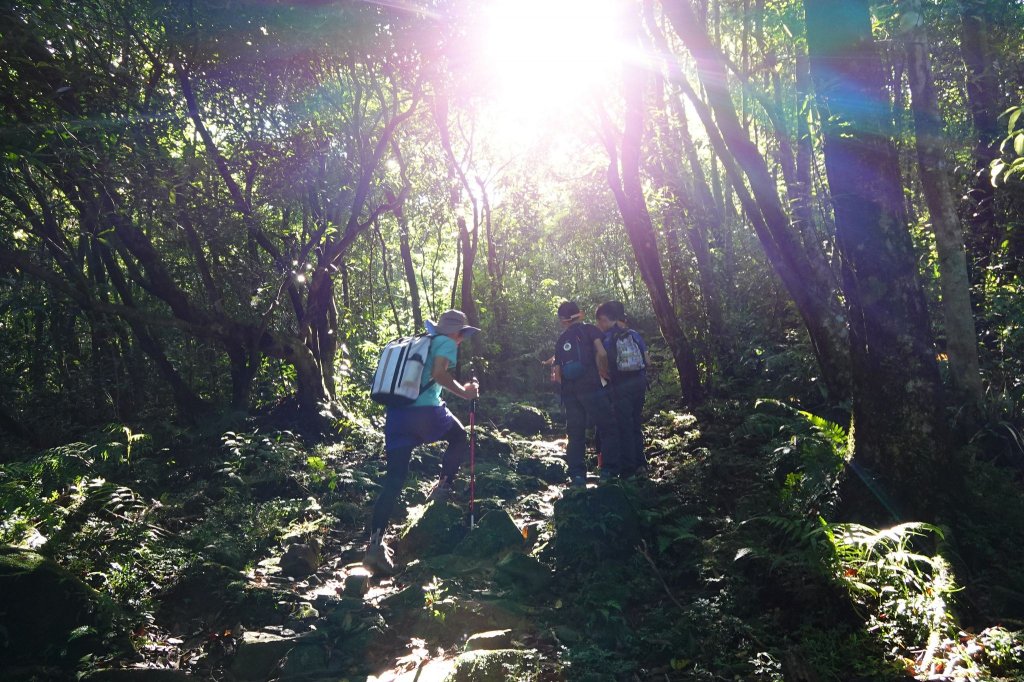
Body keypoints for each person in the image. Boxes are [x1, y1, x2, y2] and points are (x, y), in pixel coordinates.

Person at [363, 309, 480, 575]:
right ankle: (443, 488)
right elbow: (440, 374)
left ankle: (374, 545)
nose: (461, 340)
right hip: (426, 412)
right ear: (457, 332)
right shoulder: (446, 342)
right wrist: (465, 393)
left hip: (397, 415)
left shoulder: (422, 342)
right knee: (459, 436)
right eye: (462, 334)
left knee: (394, 479)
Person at [552, 300, 622, 486]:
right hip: (591, 386)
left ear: (563, 320)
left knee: (575, 433)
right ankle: (608, 471)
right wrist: (603, 372)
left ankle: (577, 475)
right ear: (578, 314)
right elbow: (602, 352)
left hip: (569, 391)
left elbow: (557, 374)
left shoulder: (561, 340)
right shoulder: (590, 329)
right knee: (607, 425)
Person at [595, 301, 651, 477]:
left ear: (604, 319)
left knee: (624, 427)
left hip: (620, 387)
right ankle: (641, 464)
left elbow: (602, 363)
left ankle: (629, 470)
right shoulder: (634, 334)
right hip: (640, 384)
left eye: (599, 321)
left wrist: (604, 372)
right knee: (636, 424)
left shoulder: (607, 338)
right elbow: (647, 361)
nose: (599, 325)